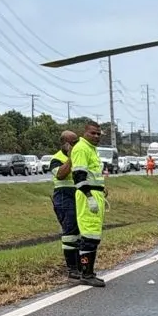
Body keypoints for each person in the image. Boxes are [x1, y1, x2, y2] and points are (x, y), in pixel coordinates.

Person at [70, 121, 107, 287]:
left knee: (94, 235)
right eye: (93, 133)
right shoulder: (81, 148)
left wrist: (100, 192)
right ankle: (86, 273)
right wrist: (90, 197)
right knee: (89, 235)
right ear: (84, 132)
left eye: (99, 134)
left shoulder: (91, 149)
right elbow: (78, 176)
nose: (96, 136)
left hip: (95, 193)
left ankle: (89, 271)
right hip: (87, 196)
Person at [49, 130, 81, 279]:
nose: (76, 145)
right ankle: (72, 267)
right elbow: (60, 174)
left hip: (79, 196)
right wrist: (70, 158)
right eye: (73, 142)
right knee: (70, 232)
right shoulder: (56, 159)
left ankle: (81, 265)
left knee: (80, 232)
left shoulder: (80, 155)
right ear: (65, 144)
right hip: (64, 198)